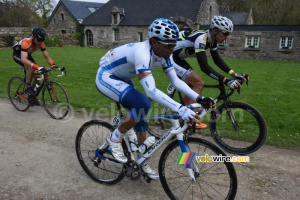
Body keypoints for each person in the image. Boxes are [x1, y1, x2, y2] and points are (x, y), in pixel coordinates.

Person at [95, 18, 214, 180]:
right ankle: (115, 138)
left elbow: (176, 81)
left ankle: (141, 161)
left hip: (122, 78)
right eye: (169, 45)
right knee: (142, 103)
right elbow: (150, 91)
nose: (173, 49)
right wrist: (180, 108)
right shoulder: (142, 53)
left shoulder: (164, 53)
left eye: (174, 44)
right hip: (107, 76)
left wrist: (199, 97)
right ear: (154, 42)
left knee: (140, 113)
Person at [171, 16, 249, 128]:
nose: (227, 38)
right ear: (215, 31)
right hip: (170, 56)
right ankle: (189, 120)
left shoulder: (212, 40)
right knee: (198, 83)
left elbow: (217, 60)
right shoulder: (201, 39)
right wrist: (226, 80)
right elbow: (204, 67)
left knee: (191, 84)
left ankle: (178, 115)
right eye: (225, 34)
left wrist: (234, 74)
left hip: (178, 57)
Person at [12, 27, 58, 104]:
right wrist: (37, 66)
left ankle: (32, 96)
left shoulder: (41, 44)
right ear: (34, 38)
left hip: (27, 54)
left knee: (37, 75)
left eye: (42, 40)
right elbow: (24, 59)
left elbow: (46, 56)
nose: (41, 42)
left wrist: (53, 64)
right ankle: (28, 87)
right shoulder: (25, 42)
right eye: (39, 40)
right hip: (18, 55)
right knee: (32, 67)